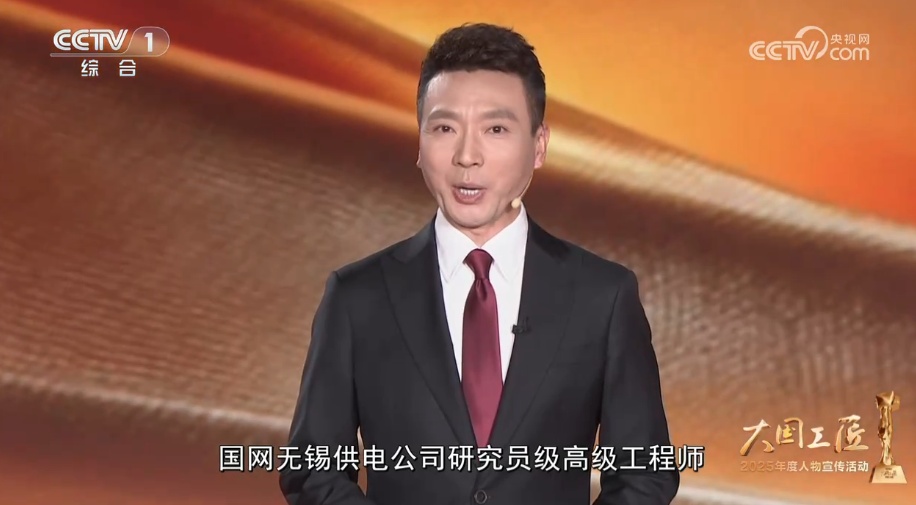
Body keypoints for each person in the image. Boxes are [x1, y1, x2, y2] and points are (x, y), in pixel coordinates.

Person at [280, 22, 678, 505]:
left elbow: (645, 475)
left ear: (539, 146)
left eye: (496, 129)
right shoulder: (357, 296)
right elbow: (312, 470)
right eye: (445, 128)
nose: (467, 156)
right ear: (420, 143)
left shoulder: (603, 296)